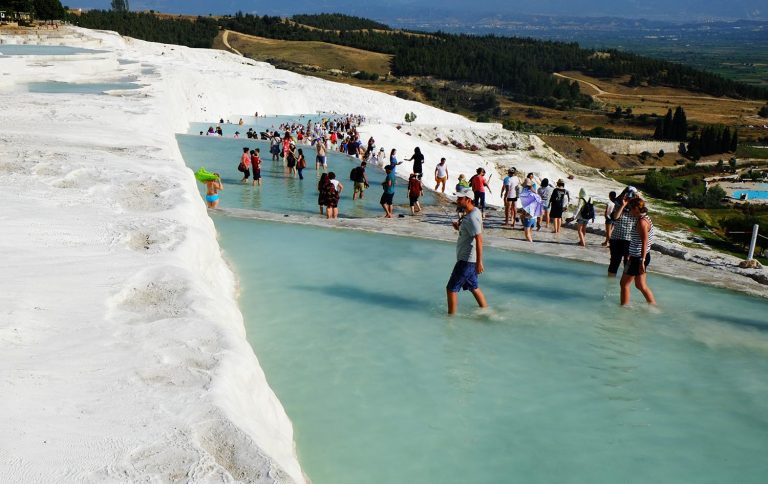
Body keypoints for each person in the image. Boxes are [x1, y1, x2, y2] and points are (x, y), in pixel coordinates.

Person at [446, 186, 488, 315]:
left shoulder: (472, 217)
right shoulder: (473, 212)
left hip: (466, 260)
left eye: (460, 198)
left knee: (451, 289)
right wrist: (459, 228)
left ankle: (450, 319)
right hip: (469, 260)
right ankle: (486, 311)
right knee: (473, 287)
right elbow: (470, 233)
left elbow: (479, 239)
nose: (458, 200)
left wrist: (479, 262)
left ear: (468, 199)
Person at [620, 198, 656, 306]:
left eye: (630, 208)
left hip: (637, 257)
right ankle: (653, 306)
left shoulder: (641, 222)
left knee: (624, 284)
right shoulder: (645, 218)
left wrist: (642, 260)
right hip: (641, 256)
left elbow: (644, 242)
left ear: (636, 209)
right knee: (640, 285)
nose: (629, 210)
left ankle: (623, 309)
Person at [608, 187, 639, 276]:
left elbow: (642, 215)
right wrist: (623, 205)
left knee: (628, 264)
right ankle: (610, 286)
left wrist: (638, 201)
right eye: (628, 194)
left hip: (630, 240)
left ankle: (624, 285)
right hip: (616, 239)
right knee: (614, 262)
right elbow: (615, 217)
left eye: (632, 195)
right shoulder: (618, 203)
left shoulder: (636, 208)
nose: (629, 197)